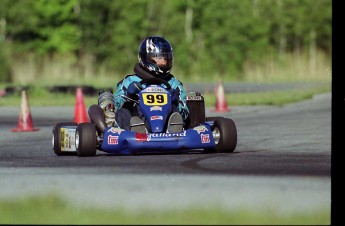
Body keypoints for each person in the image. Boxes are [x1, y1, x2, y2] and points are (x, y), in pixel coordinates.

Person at [112, 36, 190, 133]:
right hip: (139, 120)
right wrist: (128, 96)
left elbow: (185, 113)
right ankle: (136, 131)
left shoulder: (174, 83)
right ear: (146, 58)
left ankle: (174, 129)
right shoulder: (129, 81)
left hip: (166, 123)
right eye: (158, 58)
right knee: (123, 112)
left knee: (174, 109)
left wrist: (176, 102)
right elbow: (116, 107)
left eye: (166, 57)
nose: (163, 62)